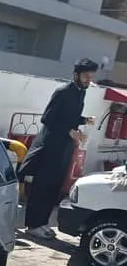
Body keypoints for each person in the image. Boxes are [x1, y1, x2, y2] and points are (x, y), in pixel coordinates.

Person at [17, 58, 98, 239]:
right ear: (76, 74)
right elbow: (48, 118)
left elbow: (70, 117)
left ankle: (43, 222)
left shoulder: (80, 93)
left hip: (64, 148)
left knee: (54, 187)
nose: (88, 80)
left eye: (91, 77)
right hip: (50, 146)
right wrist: (69, 131)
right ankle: (32, 225)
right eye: (86, 76)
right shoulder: (63, 91)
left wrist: (84, 121)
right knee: (42, 186)